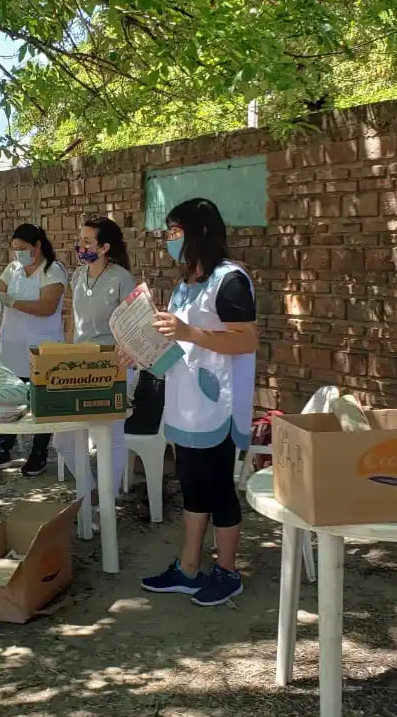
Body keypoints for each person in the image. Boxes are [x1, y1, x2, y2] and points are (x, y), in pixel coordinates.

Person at [141, 198, 257, 607]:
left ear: (199, 232)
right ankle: (188, 567)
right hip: (184, 402)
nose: (170, 239)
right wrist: (140, 349)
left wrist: (189, 332)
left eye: (176, 231)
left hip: (217, 403)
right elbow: (176, 340)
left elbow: (245, 339)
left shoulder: (231, 279)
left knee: (218, 487)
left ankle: (226, 570)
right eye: (168, 231)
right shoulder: (185, 284)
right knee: (191, 485)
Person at [55, 217, 136, 503]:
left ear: (104, 248)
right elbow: (73, 323)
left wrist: (122, 365)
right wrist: (65, 354)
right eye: (80, 239)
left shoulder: (122, 279)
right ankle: (91, 492)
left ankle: (107, 502)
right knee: (63, 439)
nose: (80, 245)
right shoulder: (78, 276)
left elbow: (132, 326)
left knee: (109, 436)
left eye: (87, 241)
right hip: (78, 366)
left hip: (113, 366)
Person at [0, 223, 68, 476]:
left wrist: (14, 302)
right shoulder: (13, 268)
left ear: (38, 245)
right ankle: (3, 447)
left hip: (41, 346)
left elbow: (47, 306)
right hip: (12, 344)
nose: (18, 253)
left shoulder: (52, 270)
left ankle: (39, 452)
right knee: (11, 396)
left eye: (23, 248)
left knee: (41, 401)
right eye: (14, 249)